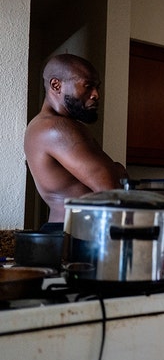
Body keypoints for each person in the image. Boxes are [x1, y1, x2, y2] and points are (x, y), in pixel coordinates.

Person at [24, 54, 127, 232]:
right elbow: (112, 190)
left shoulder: (44, 125)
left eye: (96, 87)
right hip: (74, 236)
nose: (96, 95)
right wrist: (117, 168)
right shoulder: (56, 128)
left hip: (69, 231)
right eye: (87, 86)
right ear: (56, 85)